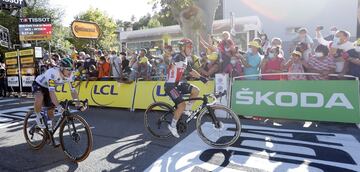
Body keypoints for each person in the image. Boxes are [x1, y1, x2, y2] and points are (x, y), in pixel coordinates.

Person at [32, 58, 83, 143]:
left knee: (51, 111)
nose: (70, 72)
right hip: (39, 85)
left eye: (71, 69)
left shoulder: (71, 76)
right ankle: (38, 117)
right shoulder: (52, 73)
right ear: (62, 68)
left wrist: (78, 103)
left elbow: (73, 91)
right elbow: (52, 92)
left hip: (49, 88)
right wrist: (59, 107)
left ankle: (49, 134)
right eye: (68, 69)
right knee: (39, 97)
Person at [164, 38, 207, 138]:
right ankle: (172, 126)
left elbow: (190, 70)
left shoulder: (185, 59)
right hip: (170, 85)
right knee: (181, 105)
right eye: (189, 47)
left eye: (191, 47)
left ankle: (187, 109)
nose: (191, 49)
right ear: (182, 48)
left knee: (196, 91)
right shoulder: (177, 56)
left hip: (178, 83)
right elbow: (173, 61)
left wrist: (201, 78)